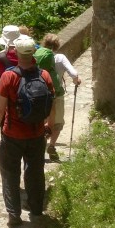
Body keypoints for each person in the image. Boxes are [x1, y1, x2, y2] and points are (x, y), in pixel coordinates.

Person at [0, 34, 55, 228]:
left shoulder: (9, 76)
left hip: (12, 134)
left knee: (10, 173)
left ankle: (14, 215)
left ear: (16, 53)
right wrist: (47, 126)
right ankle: (36, 210)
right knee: (35, 172)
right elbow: (51, 103)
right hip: (36, 134)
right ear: (33, 52)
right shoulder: (44, 75)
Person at [40, 33, 82, 161]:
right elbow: (74, 73)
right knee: (57, 122)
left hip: (40, 94)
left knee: (41, 121)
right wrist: (76, 80)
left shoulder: (38, 56)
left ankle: (39, 146)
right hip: (56, 95)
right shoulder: (60, 57)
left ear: (44, 44)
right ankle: (51, 145)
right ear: (57, 45)